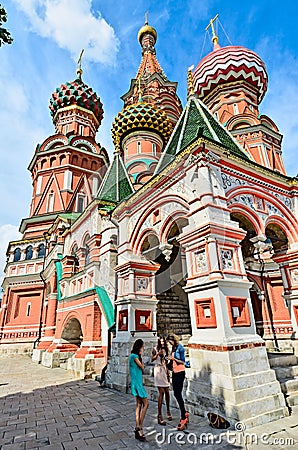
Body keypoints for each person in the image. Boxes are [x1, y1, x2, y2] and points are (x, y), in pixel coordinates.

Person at [166, 334, 189, 430]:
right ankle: (184, 412)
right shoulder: (174, 348)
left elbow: (183, 361)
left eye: (170, 341)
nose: (169, 343)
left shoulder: (180, 347)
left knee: (178, 393)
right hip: (175, 372)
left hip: (180, 372)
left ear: (173, 340)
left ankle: (183, 416)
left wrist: (173, 359)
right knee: (176, 393)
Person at [129, 339, 149, 441]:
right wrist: (141, 355)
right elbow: (142, 367)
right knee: (146, 404)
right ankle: (139, 426)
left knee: (138, 405)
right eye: (142, 347)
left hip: (136, 382)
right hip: (137, 383)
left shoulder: (132, 356)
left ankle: (137, 426)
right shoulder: (135, 356)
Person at [151, 336, 172, 425]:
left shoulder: (166, 350)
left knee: (167, 392)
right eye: (161, 342)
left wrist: (168, 372)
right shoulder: (155, 349)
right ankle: (159, 415)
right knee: (161, 392)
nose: (162, 343)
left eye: (164, 342)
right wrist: (157, 354)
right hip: (158, 370)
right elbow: (152, 359)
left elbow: (167, 362)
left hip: (164, 370)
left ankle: (168, 410)